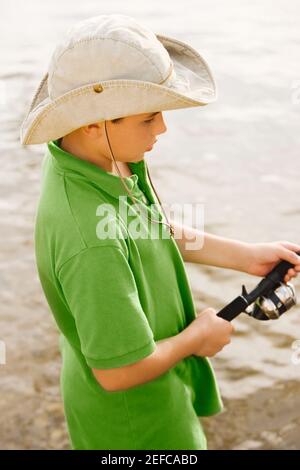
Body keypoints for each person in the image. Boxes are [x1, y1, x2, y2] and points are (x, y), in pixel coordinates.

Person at [20, 14, 300, 450]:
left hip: (156, 381)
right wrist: (196, 338)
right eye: (149, 119)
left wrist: (243, 256)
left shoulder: (94, 157)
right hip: (133, 424)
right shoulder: (89, 244)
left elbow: (142, 226)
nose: (162, 129)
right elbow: (116, 373)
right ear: (95, 123)